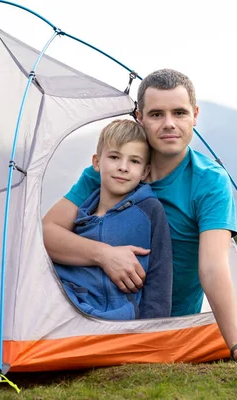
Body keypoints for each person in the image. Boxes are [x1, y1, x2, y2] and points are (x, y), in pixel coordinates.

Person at [43, 69, 237, 363]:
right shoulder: (113, 170)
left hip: (164, 330)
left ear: (195, 115)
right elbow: (47, 232)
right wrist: (104, 255)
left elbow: (213, 267)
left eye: (179, 112)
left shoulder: (209, 181)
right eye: (156, 114)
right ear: (140, 117)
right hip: (88, 315)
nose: (169, 124)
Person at [53, 119, 172, 320]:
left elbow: (160, 277)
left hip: (119, 324)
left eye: (134, 161)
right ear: (97, 162)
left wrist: (152, 334)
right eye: (115, 157)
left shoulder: (149, 209)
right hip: (68, 316)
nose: (123, 167)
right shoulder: (80, 214)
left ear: (145, 171)